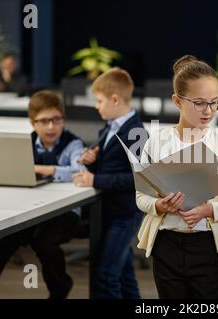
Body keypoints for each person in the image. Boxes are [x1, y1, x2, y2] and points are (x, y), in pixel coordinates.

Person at [135, 55, 218, 299]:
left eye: (214, 102)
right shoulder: (157, 142)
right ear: (177, 101)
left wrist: (210, 210)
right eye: (199, 103)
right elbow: (140, 196)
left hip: (209, 245)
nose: (208, 111)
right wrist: (158, 205)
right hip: (166, 244)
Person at [0, 90, 85, 299]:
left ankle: (60, 288)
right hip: (31, 211)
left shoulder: (73, 144)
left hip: (65, 212)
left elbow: (79, 171)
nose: (51, 126)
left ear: (63, 120)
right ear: (33, 123)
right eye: (44, 121)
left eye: (56, 120)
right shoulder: (25, 144)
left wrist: (44, 169)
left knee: (44, 242)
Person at [72, 67, 144, 299]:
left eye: (99, 101)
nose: (96, 106)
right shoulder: (109, 127)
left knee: (105, 275)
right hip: (109, 210)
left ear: (115, 99)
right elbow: (110, 164)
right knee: (123, 275)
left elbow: (139, 178)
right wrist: (91, 161)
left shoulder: (136, 132)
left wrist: (95, 179)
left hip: (124, 214)